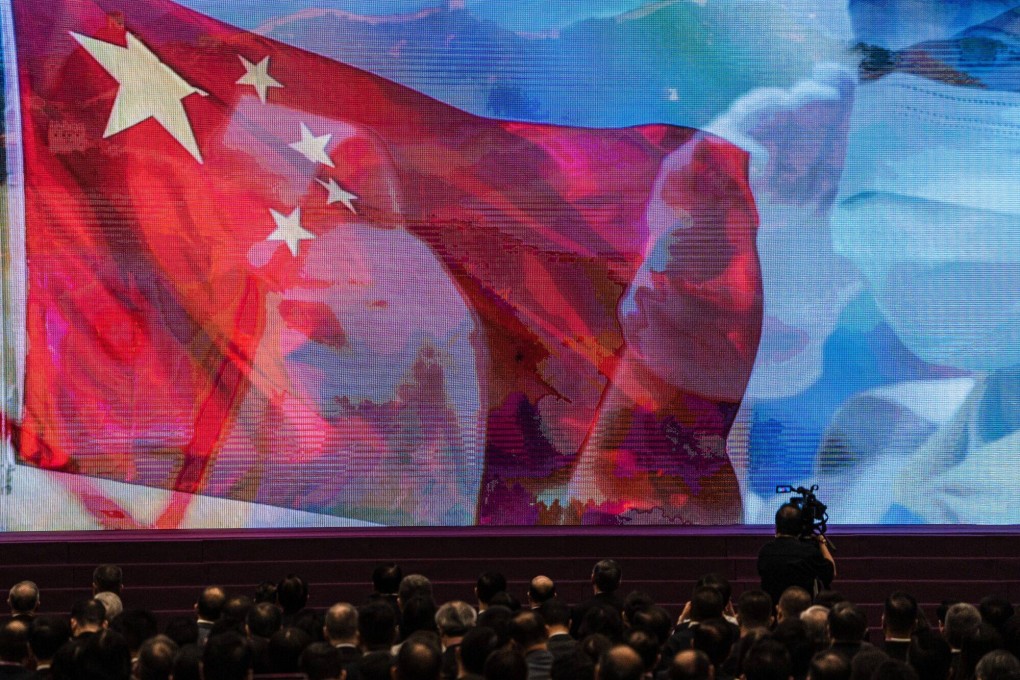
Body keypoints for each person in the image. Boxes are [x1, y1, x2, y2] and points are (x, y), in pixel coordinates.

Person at [757, 504, 835, 604]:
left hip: (772, 613)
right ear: (800, 528)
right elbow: (831, 572)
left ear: (776, 527)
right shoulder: (809, 552)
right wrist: (821, 541)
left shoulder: (765, 551)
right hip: (803, 613)